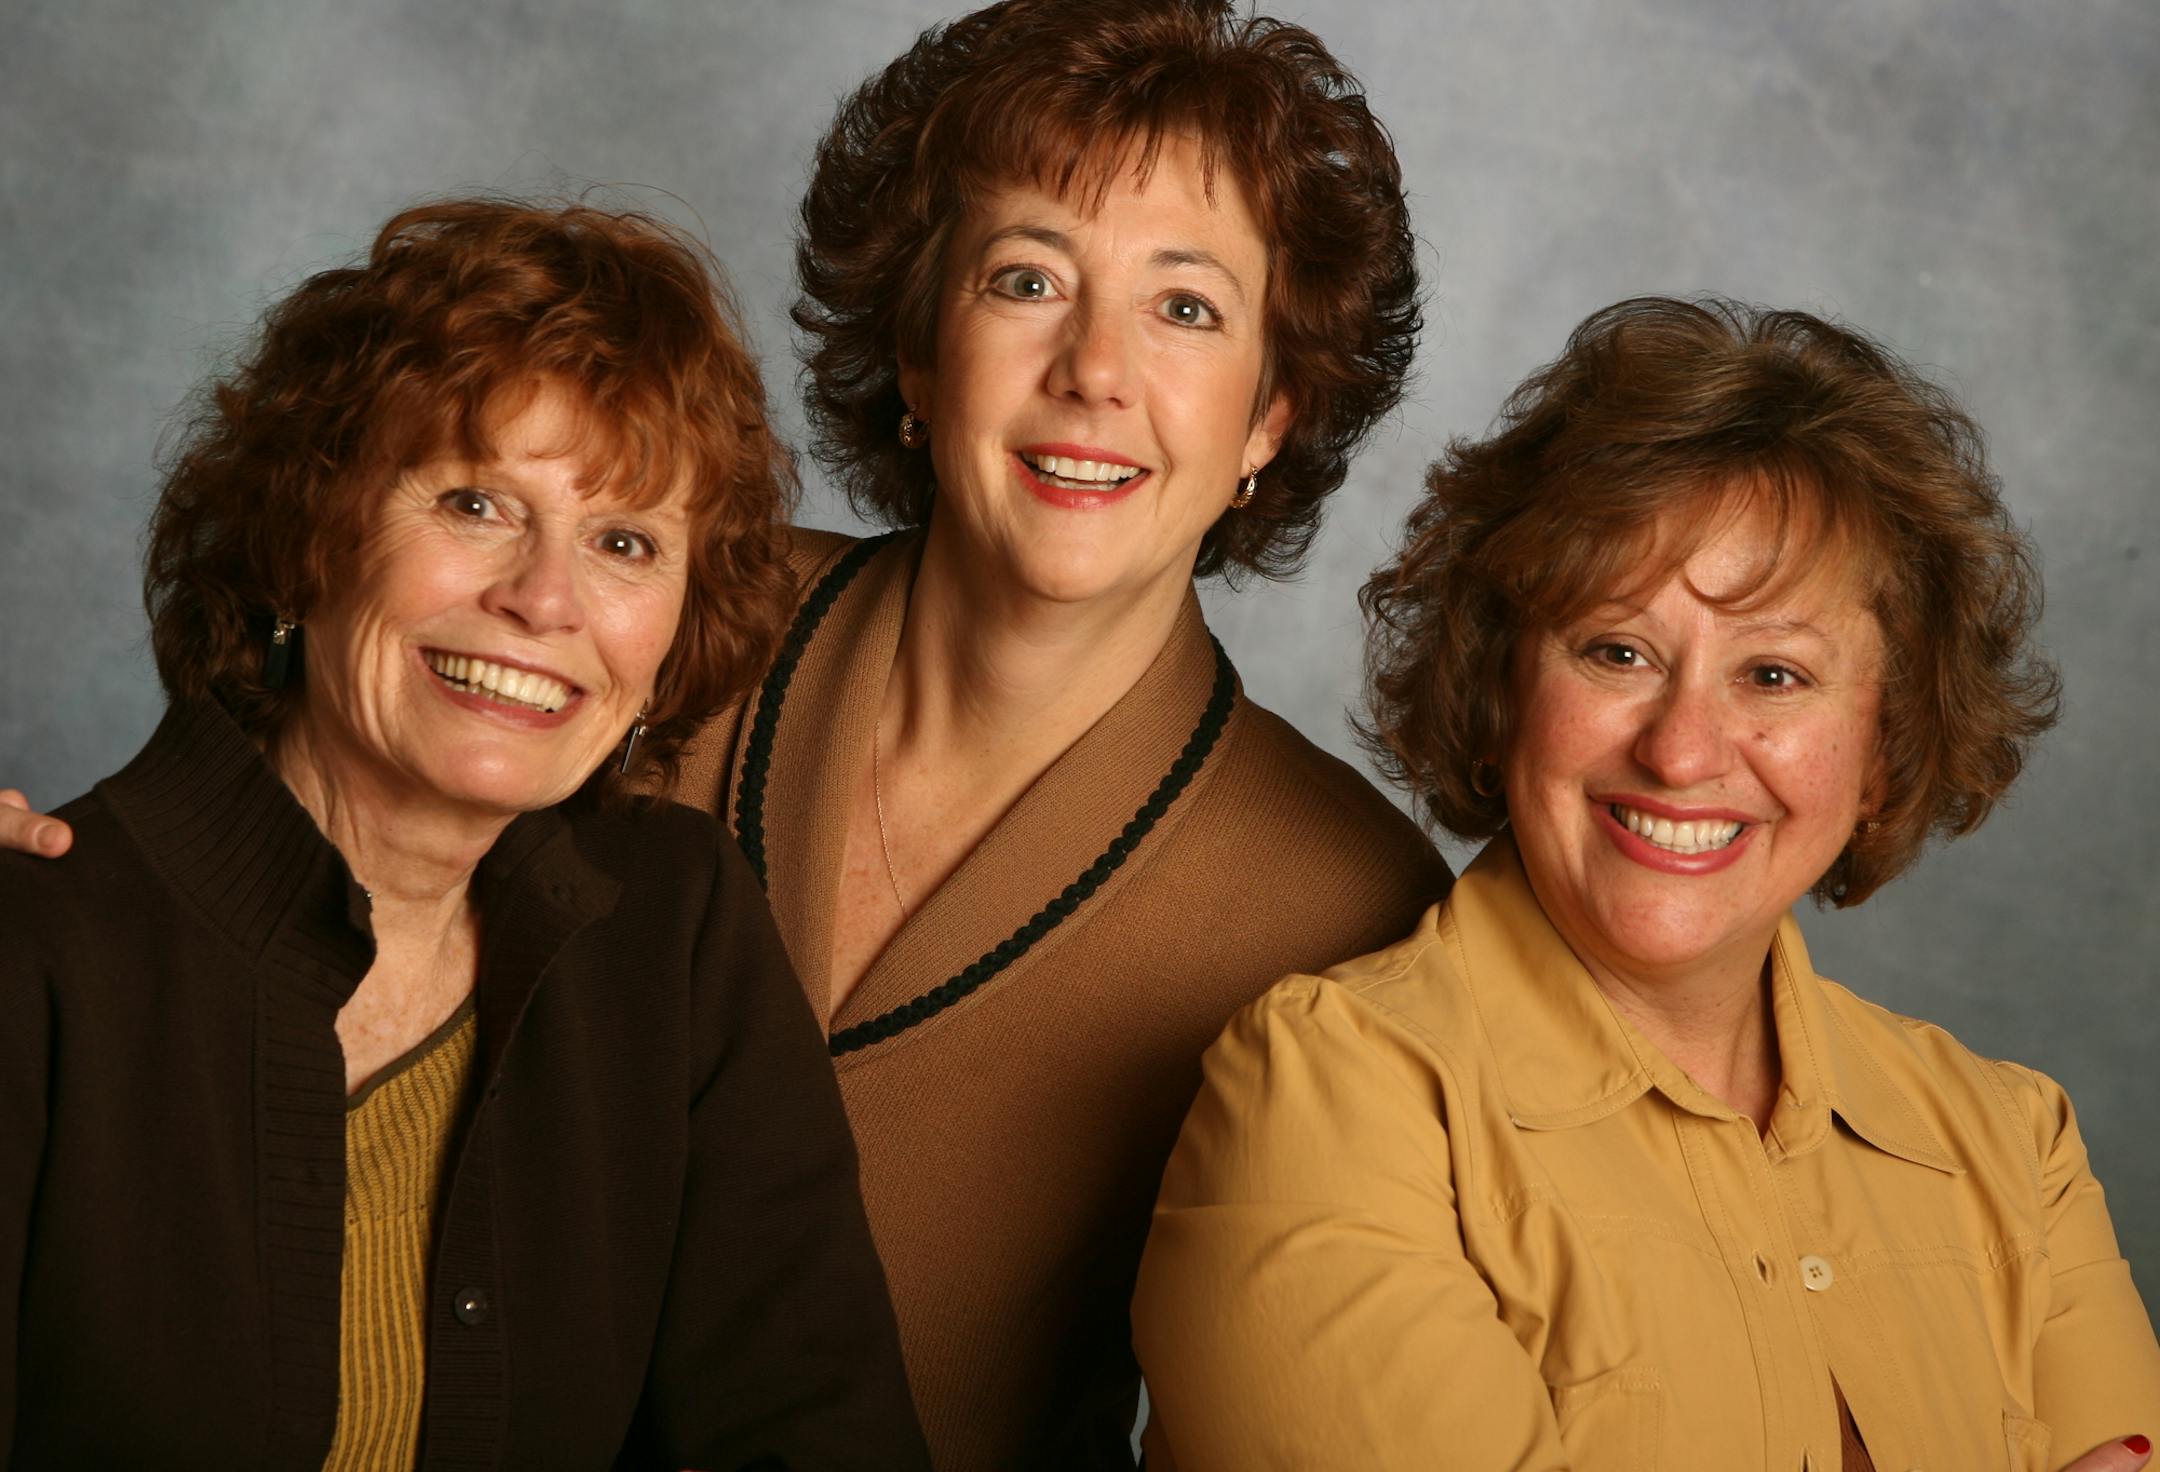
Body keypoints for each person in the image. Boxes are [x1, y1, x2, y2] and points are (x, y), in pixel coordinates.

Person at [1, 4, 1446, 1464]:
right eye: (1026, 278)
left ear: (1273, 414)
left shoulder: (1351, 907)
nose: (1095, 368)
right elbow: (289, 827)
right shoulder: (653, 630)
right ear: (922, 349)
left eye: (1187, 307)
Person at [1132, 297, 2160, 1471]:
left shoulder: (2012, 1142)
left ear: (1886, 750)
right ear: (1500, 684)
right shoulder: (1330, 1097)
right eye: (1617, 650)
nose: (1682, 750)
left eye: (1774, 673)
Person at [0, 198, 929, 1468]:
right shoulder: (33, 949)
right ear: (306, 533)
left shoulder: (677, 931)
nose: (544, 599)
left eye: (622, 542)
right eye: (476, 504)